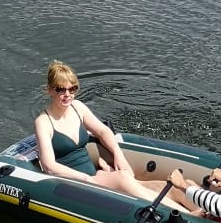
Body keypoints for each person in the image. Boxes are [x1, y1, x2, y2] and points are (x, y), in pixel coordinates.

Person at [34, 61, 201, 213]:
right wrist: (87, 178)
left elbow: (103, 131)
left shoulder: (78, 108)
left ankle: (205, 209)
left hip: (96, 177)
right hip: (77, 184)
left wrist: (118, 155)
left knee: (164, 187)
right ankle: (188, 216)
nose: (67, 94)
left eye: (72, 89)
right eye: (60, 89)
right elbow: (49, 166)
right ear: (49, 90)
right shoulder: (43, 122)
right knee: (122, 177)